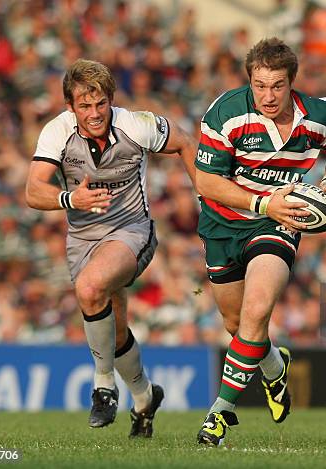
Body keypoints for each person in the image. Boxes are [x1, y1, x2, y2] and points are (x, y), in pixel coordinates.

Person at [194, 37, 326, 445]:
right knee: (237, 324)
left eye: (277, 86)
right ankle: (272, 366)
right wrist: (261, 202)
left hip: (279, 222)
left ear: (292, 83)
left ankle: (219, 414)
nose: (268, 95)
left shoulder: (319, 115)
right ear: (250, 79)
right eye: (260, 85)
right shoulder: (226, 113)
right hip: (222, 225)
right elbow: (207, 181)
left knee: (257, 309)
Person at [25, 58, 197, 437]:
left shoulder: (136, 124)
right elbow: (33, 190)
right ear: (70, 107)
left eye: (100, 103)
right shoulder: (57, 131)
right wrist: (72, 200)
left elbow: (185, 141)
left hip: (132, 230)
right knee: (114, 329)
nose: (94, 113)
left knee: (90, 288)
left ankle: (103, 385)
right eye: (84, 106)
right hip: (83, 239)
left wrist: (209, 198)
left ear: (111, 100)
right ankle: (144, 397)